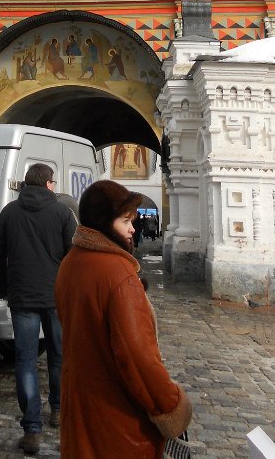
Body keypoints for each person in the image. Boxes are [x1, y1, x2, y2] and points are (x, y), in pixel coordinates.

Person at [55, 180, 192, 459]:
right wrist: (172, 406)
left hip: (79, 407)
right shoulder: (119, 274)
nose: (133, 228)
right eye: (125, 220)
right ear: (104, 222)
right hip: (118, 423)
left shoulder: (71, 262)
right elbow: (137, 357)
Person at [0, 163, 76, 455]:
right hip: (56, 297)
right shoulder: (63, 213)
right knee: (59, 356)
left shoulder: (10, 212)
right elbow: (73, 258)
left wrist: (3, 287)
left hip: (22, 296)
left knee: (25, 361)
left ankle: (32, 429)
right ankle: (59, 410)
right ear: (49, 184)